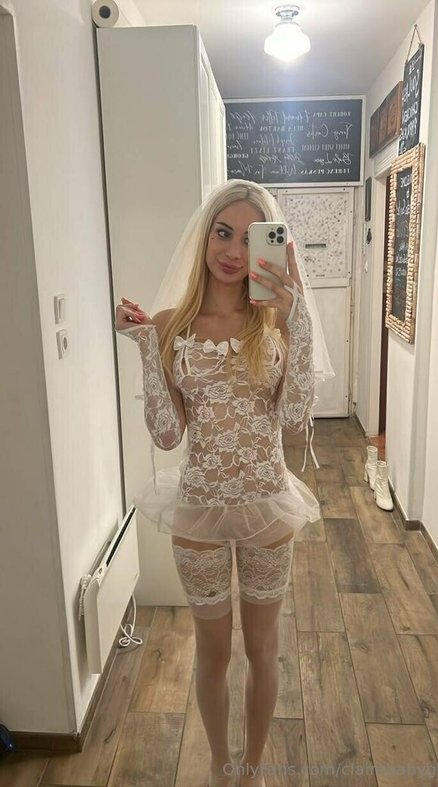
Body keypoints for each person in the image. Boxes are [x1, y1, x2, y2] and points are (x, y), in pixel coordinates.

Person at [114, 180, 326, 787]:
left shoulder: (277, 323)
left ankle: (252, 769)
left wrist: (298, 319)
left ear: (270, 248)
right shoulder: (169, 325)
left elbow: (293, 417)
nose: (233, 251)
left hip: (267, 506)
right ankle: (218, 763)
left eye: (250, 238)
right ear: (205, 236)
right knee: (213, 652)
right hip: (200, 509)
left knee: (262, 648)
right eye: (223, 232)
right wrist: (145, 348)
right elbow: (166, 435)